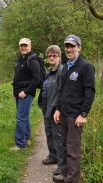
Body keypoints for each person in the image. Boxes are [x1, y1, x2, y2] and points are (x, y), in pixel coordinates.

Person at [53, 35, 95, 183]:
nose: (69, 49)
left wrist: (83, 114)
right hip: (64, 114)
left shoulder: (86, 67)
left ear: (79, 47)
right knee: (63, 146)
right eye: (67, 46)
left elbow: (90, 92)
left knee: (73, 149)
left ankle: (72, 179)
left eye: (72, 46)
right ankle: (64, 173)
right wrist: (57, 109)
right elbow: (61, 91)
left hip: (75, 116)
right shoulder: (65, 68)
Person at [10, 38, 41, 151]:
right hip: (19, 93)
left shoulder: (32, 60)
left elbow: (37, 78)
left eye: (25, 45)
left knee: (20, 118)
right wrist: (15, 93)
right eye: (21, 46)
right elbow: (17, 78)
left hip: (26, 94)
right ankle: (26, 138)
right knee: (24, 117)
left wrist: (26, 92)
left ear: (30, 46)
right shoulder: (21, 60)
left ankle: (20, 144)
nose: (23, 48)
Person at [38, 45, 64, 176]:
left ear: (59, 57)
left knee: (58, 137)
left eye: (54, 55)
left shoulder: (61, 72)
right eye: (49, 56)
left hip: (56, 112)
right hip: (46, 110)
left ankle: (61, 165)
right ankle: (53, 156)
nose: (51, 57)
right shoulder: (49, 72)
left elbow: (62, 92)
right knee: (49, 134)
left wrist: (58, 109)